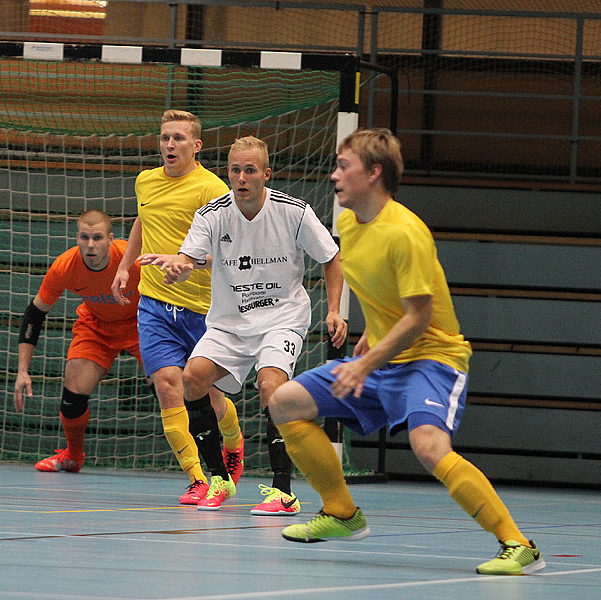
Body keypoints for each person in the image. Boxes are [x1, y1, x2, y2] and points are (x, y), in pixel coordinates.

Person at [268, 128, 545, 575]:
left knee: (429, 445)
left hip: (432, 358)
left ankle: (519, 545)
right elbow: (385, 299)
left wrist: (364, 363)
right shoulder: (346, 222)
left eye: (344, 166)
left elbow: (418, 317)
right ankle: (341, 513)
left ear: (374, 172)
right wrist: (371, 337)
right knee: (284, 402)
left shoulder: (406, 233)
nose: (334, 175)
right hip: (382, 356)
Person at [141, 136, 348, 512]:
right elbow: (190, 258)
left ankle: (283, 491)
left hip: (281, 319)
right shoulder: (211, 214)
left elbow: (331, 258)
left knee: (272, 387)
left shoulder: (294, 212)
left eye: (249, 170)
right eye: (235, 170)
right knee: (192, 378)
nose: (241, 177)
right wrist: (178, 268)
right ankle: (218, 480)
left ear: (265, 174)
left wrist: (334, 310)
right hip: (229, 323)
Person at [111, 110, 244, 505]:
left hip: (203, 307)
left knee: (205, 394)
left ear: (196, 146)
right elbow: (142, 220)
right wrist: (124, 266)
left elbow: (228, 250)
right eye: (166, 138)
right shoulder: (145, 181)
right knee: (168, 386)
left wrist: (186, 262)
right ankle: (199, 478)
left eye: (179, 139)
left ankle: (233, 444)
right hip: (154, 303)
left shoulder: (212, 189)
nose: (170, 145)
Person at [14, 209, 143, 473]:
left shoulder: (132, 260)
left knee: (170, 388)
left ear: (110, 238)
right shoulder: (65, 266)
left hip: (141, 323)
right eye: (84, 237)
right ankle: (73, 456)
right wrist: (22, 371)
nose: (90, 245)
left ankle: (200, 463)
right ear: (77, 238)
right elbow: (35, 314)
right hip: (96, 326)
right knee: (72, 395)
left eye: (97, 237)